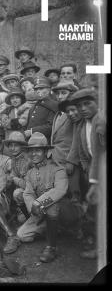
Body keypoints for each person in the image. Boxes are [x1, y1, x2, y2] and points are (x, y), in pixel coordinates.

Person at [16, 132, 68, 263]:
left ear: (46, 152)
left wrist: (39, 202)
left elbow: (60, 190)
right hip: (44, 212)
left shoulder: (57, 169)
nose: (33, 154)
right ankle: (53, 228)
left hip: (64, 210)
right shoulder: (30, 172)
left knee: (52, 205)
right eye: (31, 151)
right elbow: (27, 193)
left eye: (38, 150)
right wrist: (32, 206)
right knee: (22, 235)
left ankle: (51, 247)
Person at [68, 89, 106, 259]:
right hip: (95, 174)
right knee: (95, 210)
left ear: (97, 103)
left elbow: (101, 154)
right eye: (79, 105)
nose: (82, 108)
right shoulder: (82, 125)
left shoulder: (101, 120)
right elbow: (83, 153)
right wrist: (88, 172)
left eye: (87, 104)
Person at [4, 132, 32, 223]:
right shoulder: (14, 159)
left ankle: (31, 219)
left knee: (17, 193)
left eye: (16, 145)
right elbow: (13, 174)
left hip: (33, 191)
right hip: (24, 191)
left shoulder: (27, 159)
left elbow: (27, 185)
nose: (12, 148)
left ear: (22, 146)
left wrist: (14, 179)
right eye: (11, 145)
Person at [24, 77, 58, 141]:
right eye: (36, 89)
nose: (38, 91)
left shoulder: (53, 105)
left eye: (41, 88)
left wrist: (32, 131)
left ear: (49, 89)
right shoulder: (33, 107)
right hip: (31, 141)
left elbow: (52, 127)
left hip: (45, 142)